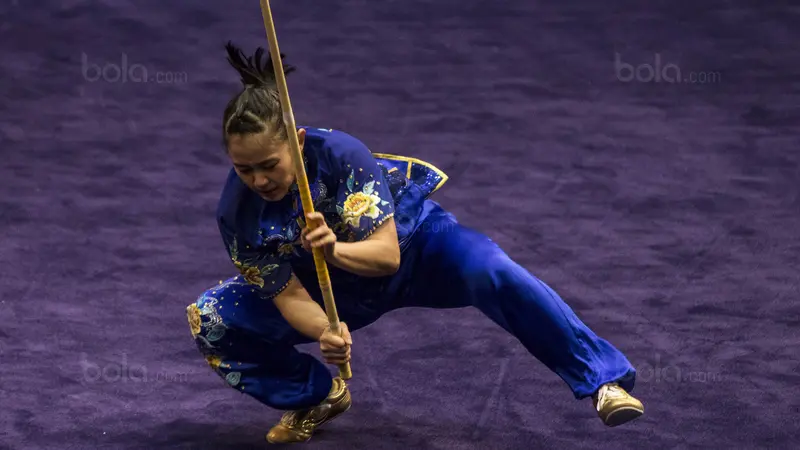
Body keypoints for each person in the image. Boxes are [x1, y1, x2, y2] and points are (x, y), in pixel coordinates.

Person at [186, 42, 644, 445]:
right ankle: (318, 397)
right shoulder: (235, 213)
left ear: (298, 141)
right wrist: (325, 330)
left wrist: (333, 251)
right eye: (244, 169)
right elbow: (287, 294)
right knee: (211, 317)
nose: (259, 180)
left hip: (418, 250)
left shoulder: (340, 154)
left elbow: (387, 257)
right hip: (335, 288)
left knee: (493, 270)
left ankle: (604, 381)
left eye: (268, 164)